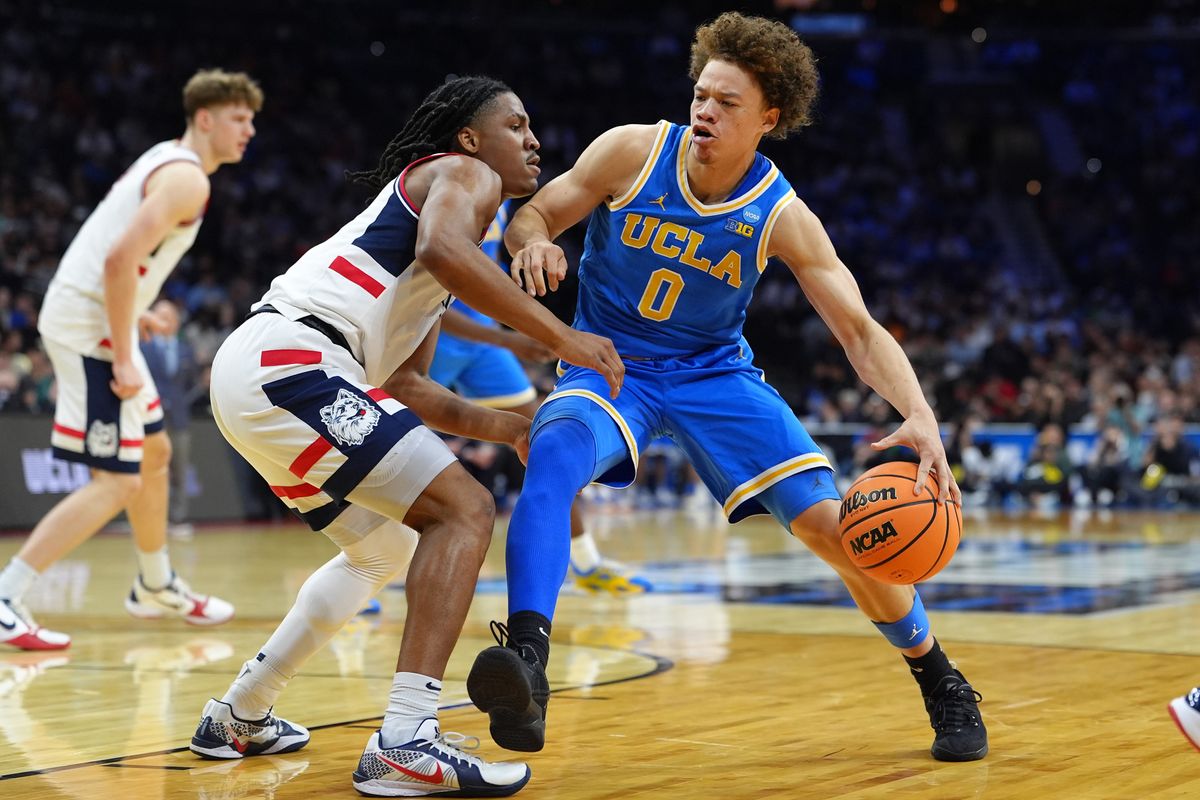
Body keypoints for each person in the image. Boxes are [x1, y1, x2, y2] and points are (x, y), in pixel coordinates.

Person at [467, 12, 987, 763]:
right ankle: (528, 665)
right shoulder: (632, 152)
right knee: (549, 460)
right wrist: (537, 239)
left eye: (727, 102)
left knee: (841, 534)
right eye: (702, 94)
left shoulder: (781, 214)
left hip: (715, 374)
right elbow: (539, 210)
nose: (704, 110)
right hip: (611, 362)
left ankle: (938, 674)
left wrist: (921, 416)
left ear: (768, 119)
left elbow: (861, 333)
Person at [187, 76, 622, 798]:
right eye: (516, 126)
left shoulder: (426, 263)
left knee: (381, 548)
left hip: (263, 374)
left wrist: (510, 426)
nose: (535, 141)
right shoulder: (462, 176)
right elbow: (449, 250)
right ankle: (405, 740)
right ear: (471, 139)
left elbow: (412, 388)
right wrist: (560, 338)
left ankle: (239, 714)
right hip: (294, 362)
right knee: (465, 509)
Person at [0, 69, 262, 651]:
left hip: (95, 315)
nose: (249, 131)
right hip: (88, 330)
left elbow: (112, 253)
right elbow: (119, 261)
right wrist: (122, 355)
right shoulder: (188, 182)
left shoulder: (165, 158)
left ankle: (153, 583)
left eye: (251, 120)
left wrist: (135, 312)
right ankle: (6, 595)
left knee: (157, 453)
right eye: (240, 119)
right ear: (205, 118)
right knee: (116, 481)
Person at [422, 200, 651, 594]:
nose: (531, 142)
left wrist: (515, 333)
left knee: (545, 441)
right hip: (428, 336)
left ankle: (587, 564)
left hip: (482, 343)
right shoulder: (446, 194)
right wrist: (510, 338)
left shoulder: (498, 198)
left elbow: (483, 287)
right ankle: (358, 563)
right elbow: (428, 302)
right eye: (516, 132)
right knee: (379, 440)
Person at [139, 298, 200, 537]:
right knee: (151, 469)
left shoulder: (186, 350)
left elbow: (192, 382)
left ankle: (178, 519)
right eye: (159, 316)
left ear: (176, 322)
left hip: (179, 418)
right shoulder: (141, 347)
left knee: (180, 470)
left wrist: (180, 403)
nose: (163, 322)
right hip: (150, 418)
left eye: (168, 317)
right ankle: (151, 520)